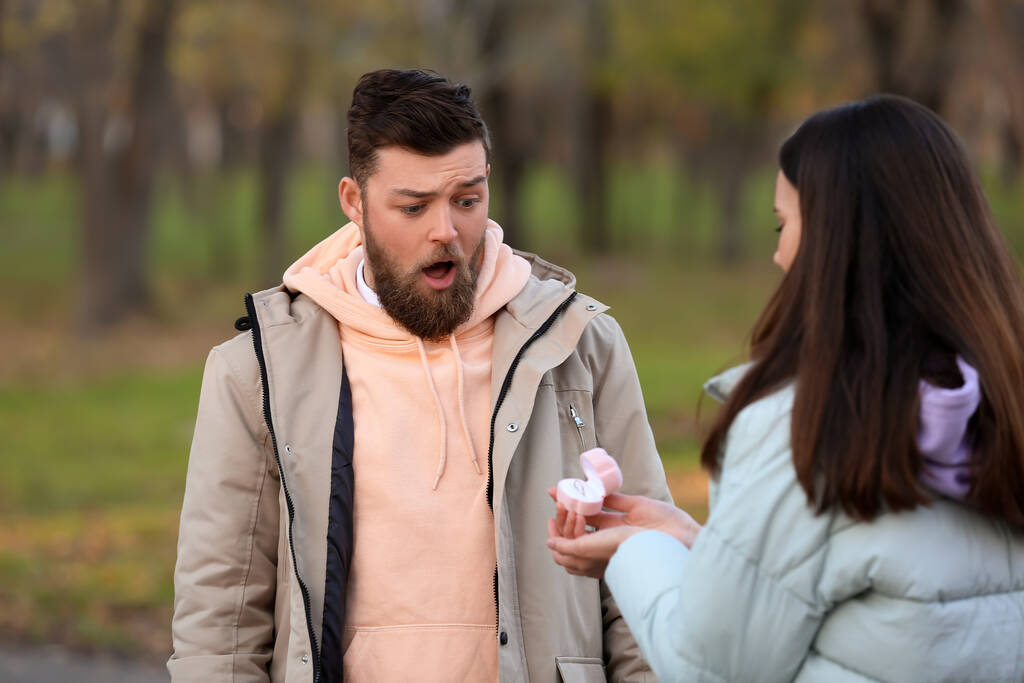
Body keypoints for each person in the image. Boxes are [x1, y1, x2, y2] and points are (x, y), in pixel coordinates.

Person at [168, 68, 672, 683]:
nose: (446, 232)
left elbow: (647, 583)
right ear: (354, 203)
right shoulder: (260, 369)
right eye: (413, 207)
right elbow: (219, 624)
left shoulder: (579, 345)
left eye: (467, 200)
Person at [546, 95, 1024, 682]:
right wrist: (700, 544)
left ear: (836, 238)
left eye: (784, 223)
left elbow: (709, 665)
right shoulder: (998, 404)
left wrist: (634, 554)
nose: (777, 253)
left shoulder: (809, 425)